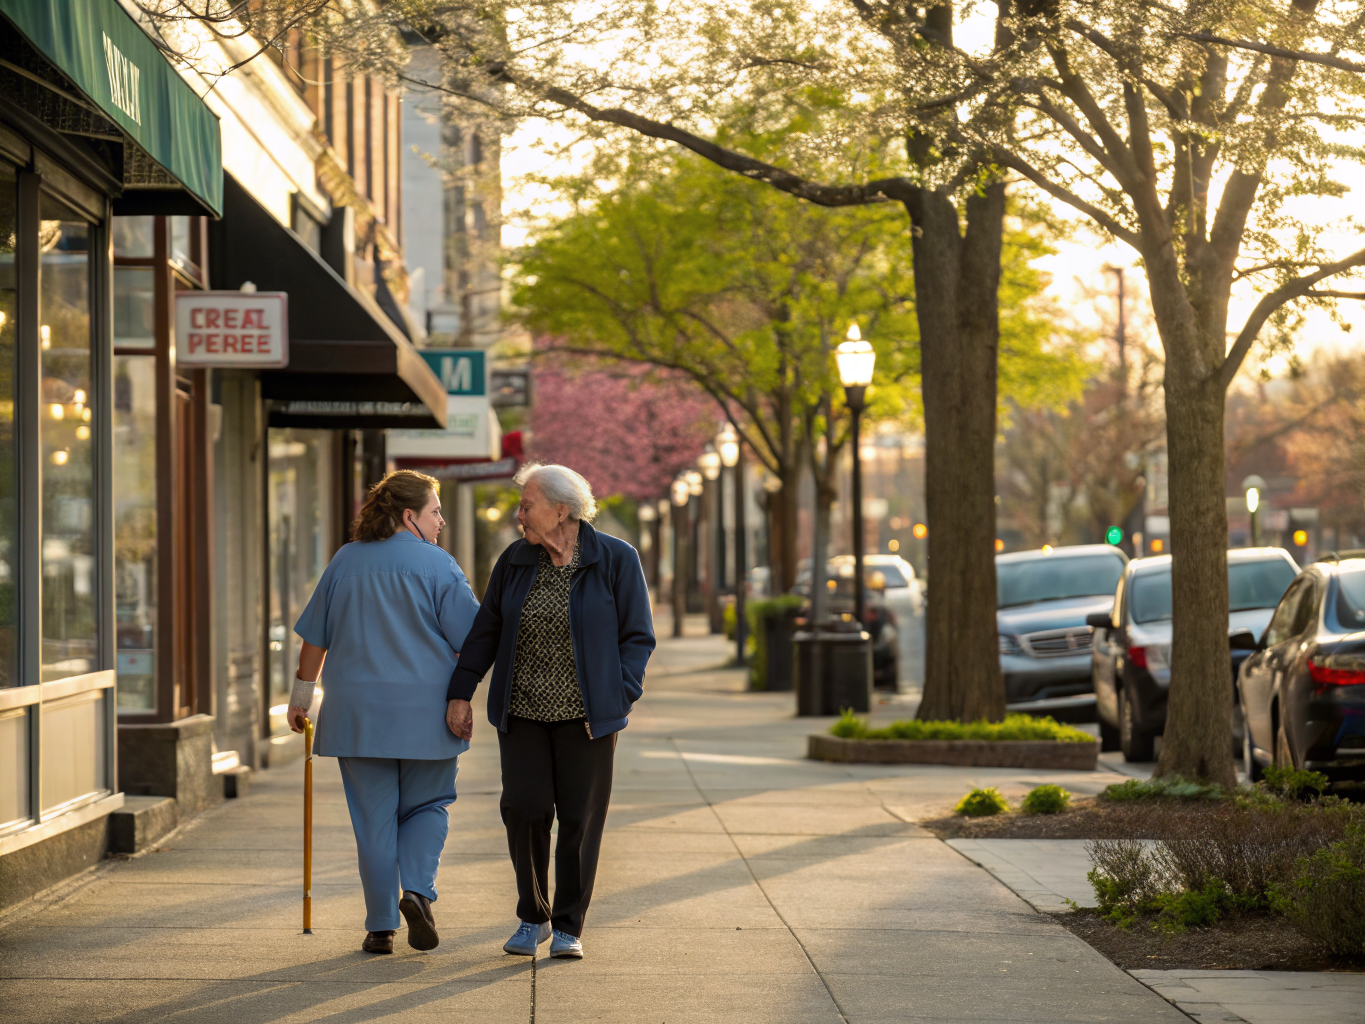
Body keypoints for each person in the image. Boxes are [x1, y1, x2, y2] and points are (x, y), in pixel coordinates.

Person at [449, 463, 655, 960]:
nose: (519, 515)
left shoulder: (615, 559)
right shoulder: (517, 560)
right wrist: (461, 691)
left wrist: (620, 690)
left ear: (561, 510)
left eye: (527, 506)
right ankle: (532, 915)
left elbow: (637, 636)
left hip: (588, 717)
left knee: (579, 821)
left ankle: (567, 925)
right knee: (523, 811)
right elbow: (486, 631)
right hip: (522, 712)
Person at [286, 469, 480, 955]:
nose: (442, 521)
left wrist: (300, 697)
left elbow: (316, 639)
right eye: (435, 511)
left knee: (373, 821)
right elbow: (472, 640)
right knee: (429, 805)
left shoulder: (344, 561)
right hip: (426, 713)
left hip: (357, 716)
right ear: (408, 515)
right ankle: (415, 890)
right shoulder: (438, 566)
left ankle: (379, 928)